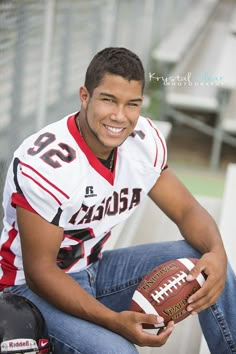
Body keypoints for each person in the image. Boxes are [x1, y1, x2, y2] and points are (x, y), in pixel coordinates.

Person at [0, 47, 235, 354]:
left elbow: (187, 209)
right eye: (108, 100)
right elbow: (40, 271)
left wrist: (216, 252)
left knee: (207, 260)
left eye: (132, 104)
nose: (119, 116)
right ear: (85, 96)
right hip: (30, 289)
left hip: (95, 270)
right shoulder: (46, 163)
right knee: (119, 350)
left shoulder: (141, 143)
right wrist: (113, 321)